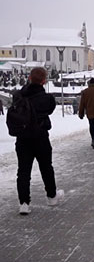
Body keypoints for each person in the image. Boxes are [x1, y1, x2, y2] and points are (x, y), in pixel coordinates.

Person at [14, 67, 63, 215]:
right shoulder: (47, 99)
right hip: (41, 137)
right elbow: (50, 110)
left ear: (29, 78)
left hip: (22, 138)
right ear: (44, 81)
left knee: (23, 171)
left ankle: (24, 203)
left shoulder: (19, 96)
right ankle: (52, 196)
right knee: (46, 167)